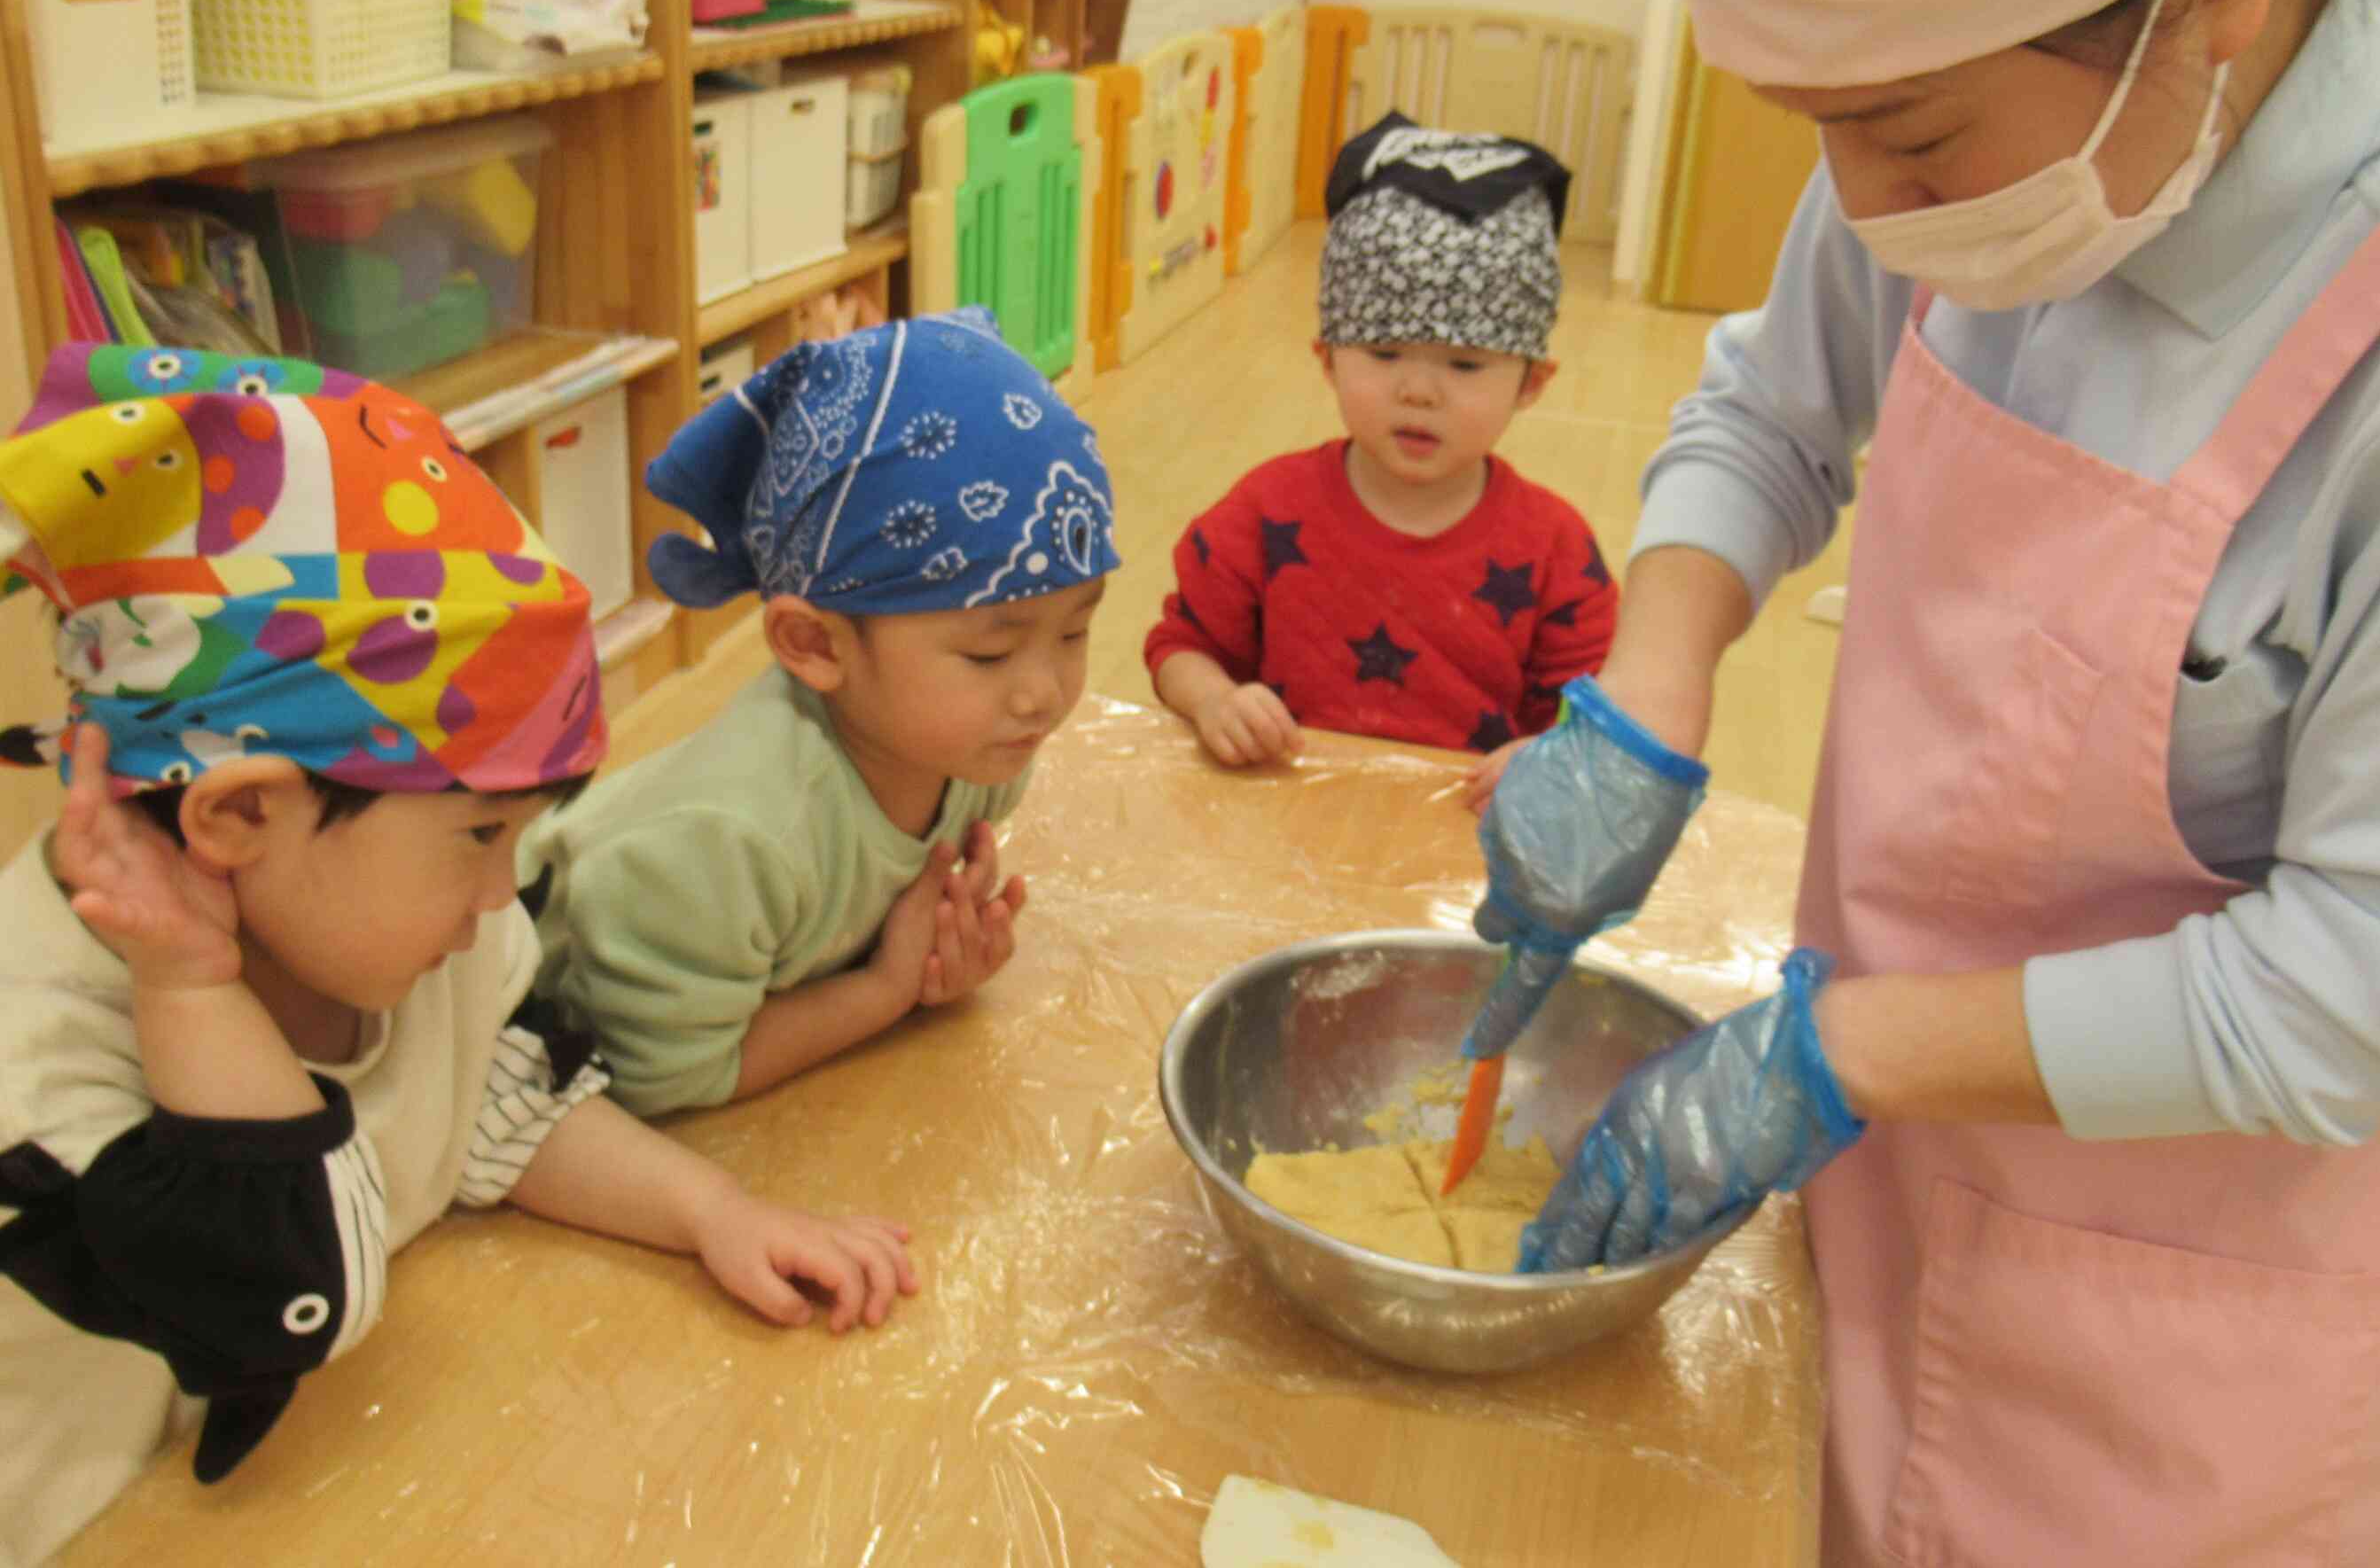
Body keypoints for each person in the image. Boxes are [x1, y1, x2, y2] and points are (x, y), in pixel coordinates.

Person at [1464, 0, 2380, 1561]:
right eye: (1814, 128)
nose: (1857, 203)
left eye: (1906, 139)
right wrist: (1649, 683)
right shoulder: (1969, 116)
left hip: (2193, 1352)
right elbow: (1771, 406)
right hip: (1884, 1184)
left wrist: (1824, 1052)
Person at [0, 345, 917, 1566]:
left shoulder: (409, 936)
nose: (503, 893)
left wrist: (713, 1209)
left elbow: (494, 1098)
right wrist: (189, 991)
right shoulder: (35, 1055)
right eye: (480, 834)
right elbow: (276, 1292)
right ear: (235, 815)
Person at [520, 308, 1118, 1119]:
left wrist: (938, 936)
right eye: (989, 654)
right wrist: (886, 990)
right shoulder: (730, 838)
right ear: (814, 643)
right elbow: (656, 1075)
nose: (1043, 692)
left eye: (1074, 630)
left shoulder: (976, 752)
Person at [1144, 113, 1618, 764]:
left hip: (1462, 843)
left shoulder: (1556, 551)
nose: (1419, 391)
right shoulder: (1264, 512)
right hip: (1280, 828)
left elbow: (1598, 713)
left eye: (1465, 365)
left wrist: (1545, 758)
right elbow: (1181, 646)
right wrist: (1214, 701)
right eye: (1385, 353)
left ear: (1532, 382)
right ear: (1327, 359)